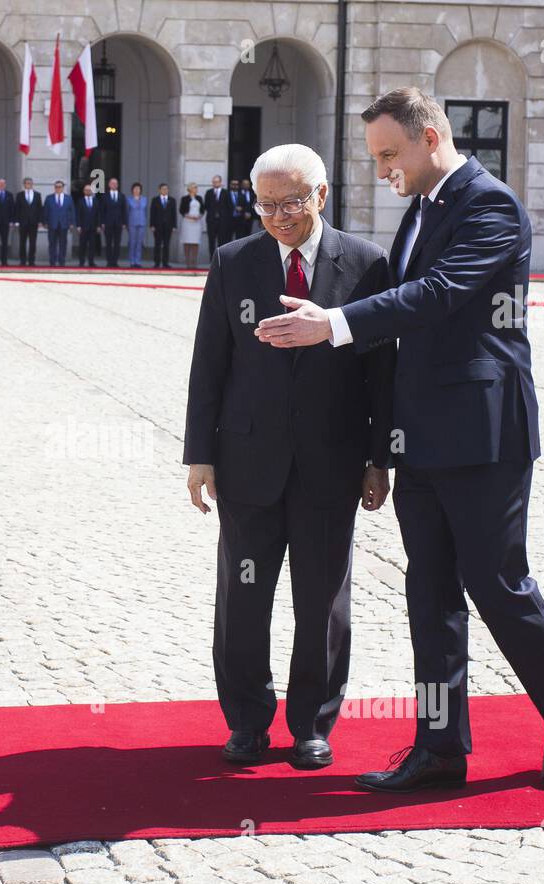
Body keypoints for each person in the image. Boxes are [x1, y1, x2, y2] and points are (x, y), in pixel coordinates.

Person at [254, 87, 544, 791]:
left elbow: (439, 293)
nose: (381, 169)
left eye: (388, 154)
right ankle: (440, 747)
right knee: (429, 591)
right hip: (422, 436)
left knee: (496, 582)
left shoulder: (490, 205)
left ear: (430, 136)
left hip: (484, 431)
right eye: (374, 156)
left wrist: (335, 322)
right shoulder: (422, 209)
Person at [183, 143, 396, 769]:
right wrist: (200, 455)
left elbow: (381, 371)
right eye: (266, 204)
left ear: (322, 196)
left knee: (322, 602)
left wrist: (379, 456)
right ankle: (247, 721)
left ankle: (312, 723)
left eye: (291, 203)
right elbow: (209, 366)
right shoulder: (234, 262)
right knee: (243, 599)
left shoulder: (365, 264)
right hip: (248, 464)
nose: (277, 216)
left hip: (331, 465)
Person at [43, 179, 75, 267]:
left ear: (63, 188)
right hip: (52, 224)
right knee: (52, 244)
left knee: (63, 244)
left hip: (64, 224)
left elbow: (72, 211)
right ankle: (52, 262)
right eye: (56, 187)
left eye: (60, 187)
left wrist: (71, 223)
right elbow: (45, 211)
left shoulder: (68, 198)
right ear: (54, 188)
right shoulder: (49, 198)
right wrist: (45, 222)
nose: (58, 188)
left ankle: (62, 262)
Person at [98, 176, 126, 267]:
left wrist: (124, 223)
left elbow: (124, 210)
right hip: (108, 223)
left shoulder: (122, 196)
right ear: (109, 185)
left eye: (116, 183)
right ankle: (109, 261)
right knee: (108, 243)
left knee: (117, 243)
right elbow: (102, 210)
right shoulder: (104, 196)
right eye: (112, 183)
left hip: (118, 223)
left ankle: (115, 261)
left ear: (118, 185)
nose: (114, 185)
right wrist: (102, 222)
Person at [149, 182, 178, 269]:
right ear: (159, 190)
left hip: (168, 226)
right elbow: (152, 213)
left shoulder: (172, 200)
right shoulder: (155, 200)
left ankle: (165, 263)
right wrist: (152, 225)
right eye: (163, 189)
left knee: (166, 245)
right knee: (157, 244)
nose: (165, 190)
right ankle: (157, 263)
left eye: (166, 189)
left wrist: (174, 226)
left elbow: (174, 214)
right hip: (157, 226)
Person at [15, 177, 42, 266]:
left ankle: (31, 261)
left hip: (33, 223)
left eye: (30, 183)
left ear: (32, 184)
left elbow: (39, 209)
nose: (29, 185)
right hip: (23, 223)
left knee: (33, 243)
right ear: (24, 184)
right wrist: (17, 221)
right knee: (22, 242)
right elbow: (17, 209)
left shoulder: (37, 195)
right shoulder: (20, 195)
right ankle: (22, 261)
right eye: (27, 183)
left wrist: (40, 221)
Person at [179, 182, 204, 268]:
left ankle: (194, 261)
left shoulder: (199, 198)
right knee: (187, 242)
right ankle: (187, 262)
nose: (196, 189)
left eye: (196, 187)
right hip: (187, 222)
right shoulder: (184, 198)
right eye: (194, 187)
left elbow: (203, 210)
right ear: (190, 189)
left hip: (196, 223)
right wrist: (189, 216)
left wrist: (199, 216)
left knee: (195, 242)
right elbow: (181, 210)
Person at [75, 183, 100, 267]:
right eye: (86, 190)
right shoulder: (80, 201)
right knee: (82, 245)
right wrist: (78, 226)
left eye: (89, 190)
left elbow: (98, 214)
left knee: (92, 246)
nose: (88, 191)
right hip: (83, 227)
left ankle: (91, 262)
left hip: (93, 227)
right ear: (83, 191)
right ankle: (81, 262)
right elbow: (78, 214)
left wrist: (98, 226)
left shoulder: (96, 201)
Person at [204, 174, 228, 256]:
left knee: (222, 241)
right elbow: (206, 206)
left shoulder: (225, 192)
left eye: (217, 182)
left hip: (222, 221)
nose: (215, 183)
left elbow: (228, 206)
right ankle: (212, 259)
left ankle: (221, 260)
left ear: (220, 182)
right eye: (214, 182)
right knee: (211, 241)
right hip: (211, 221)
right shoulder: (209, 192)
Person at [125, 182, 148, 268]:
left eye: (138, 189)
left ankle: (138, 261)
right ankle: (132, 261)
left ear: (140, 190)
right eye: (135, 189)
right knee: (132, 242)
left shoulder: (144, 199)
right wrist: (126, 224)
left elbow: (145, 211)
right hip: (132, 223)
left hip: (141, 223)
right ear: (132, 190)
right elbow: (127, 212)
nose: (137, 190)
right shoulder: (128, 199)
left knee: (139, 243)